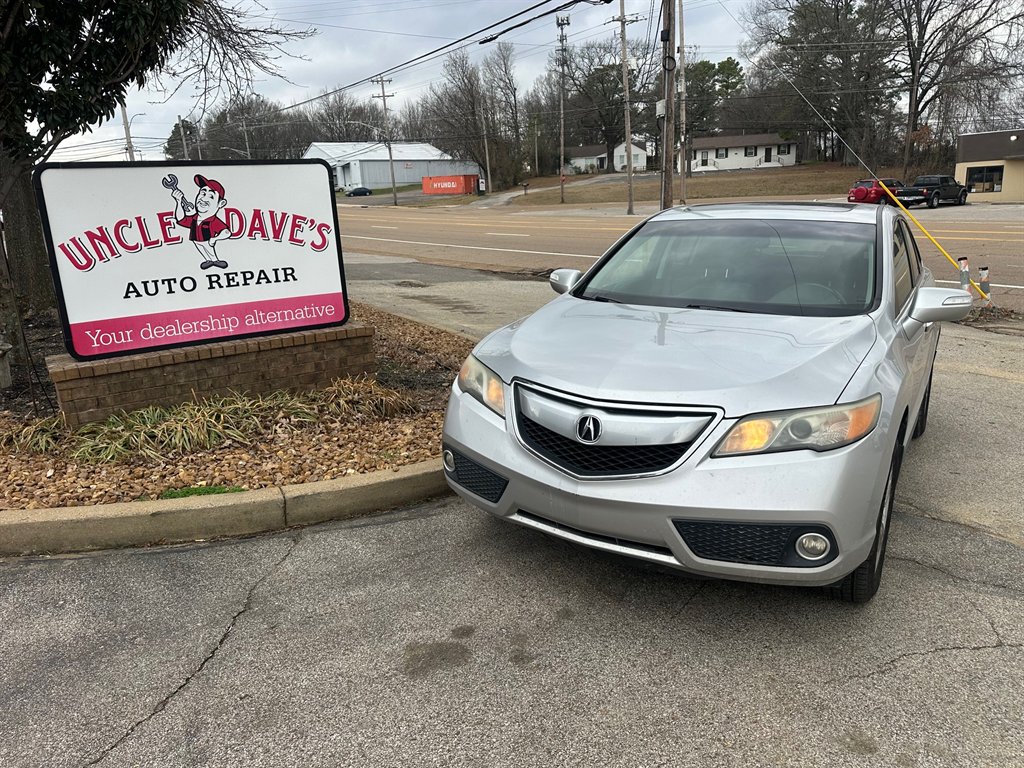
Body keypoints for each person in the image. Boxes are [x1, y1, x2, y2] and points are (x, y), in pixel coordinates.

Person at [170, 174, 232, 269]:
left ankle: (215, 261)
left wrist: (214, 239)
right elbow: (180, 219)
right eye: (202, 193)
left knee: (209, 250)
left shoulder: (214, 221)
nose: (203, 198)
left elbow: (227, 232)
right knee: (201, 250)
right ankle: (208, 261)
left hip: (207, 241)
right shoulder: (194, 218)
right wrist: (179, 201)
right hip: (196, 240)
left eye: (211, 196)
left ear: (221, 203)